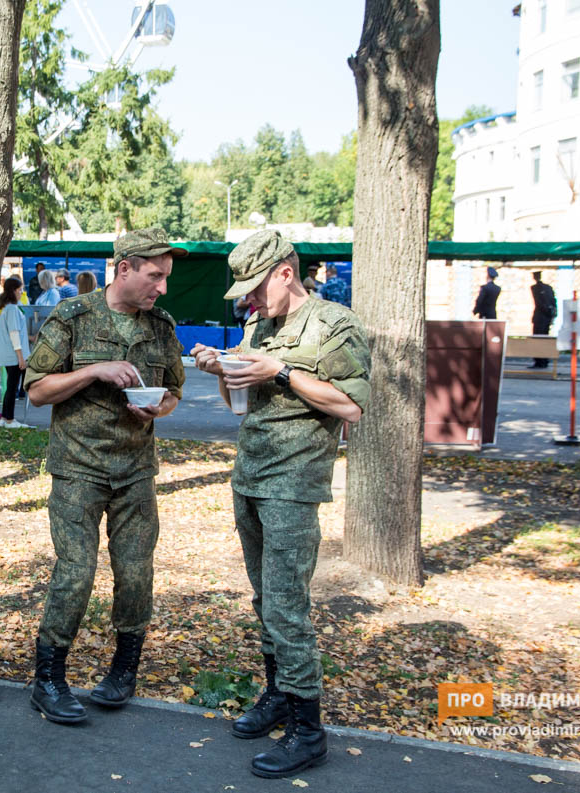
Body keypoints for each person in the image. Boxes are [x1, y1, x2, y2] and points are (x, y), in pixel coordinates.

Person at [192, 230, 370, 780]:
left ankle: (307, 730)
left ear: (285, 274)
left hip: (293, 482)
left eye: (255, 287)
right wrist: (223, 371)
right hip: (250, 474)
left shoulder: (333, 325)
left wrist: (283, 371)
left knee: (287, 606)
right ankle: (276, 694)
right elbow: (240, 406)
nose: (249, 299)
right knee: (265, 597)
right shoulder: (256, 325)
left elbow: (353, 406)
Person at [24, 227, 186, 725]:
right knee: (76, 572)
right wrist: (92, 372)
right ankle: (48, 679)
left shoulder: (160, 325)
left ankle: (123, 671)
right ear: (124, 269)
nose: (160, 288)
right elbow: (36, 390)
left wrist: (160, 408)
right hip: (78, 469)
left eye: (164, 278)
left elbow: (175, 389)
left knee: (136, 573)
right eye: (154, 276)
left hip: (135, 471)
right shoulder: (73, 316)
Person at [0, 277, 31, 429]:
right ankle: (9, 419)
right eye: (20, 290)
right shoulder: (13, 309)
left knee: (11, 387)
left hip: (7, 353)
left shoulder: (4, 308)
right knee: (13, 387)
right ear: (14, 290)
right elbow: (14, 333)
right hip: (15, 354)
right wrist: (21, 358)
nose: (21, 292)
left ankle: (5, 416)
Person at [530, 271, 557, 368]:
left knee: (538, 338)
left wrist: (547, 311)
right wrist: (551, 314)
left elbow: (539, 303)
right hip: (547, 317)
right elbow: (554, 301)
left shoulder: (535, 288)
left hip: (540, 317)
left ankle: (540, 361)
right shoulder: (548, 287)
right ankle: (543, 360)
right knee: (544, 338)